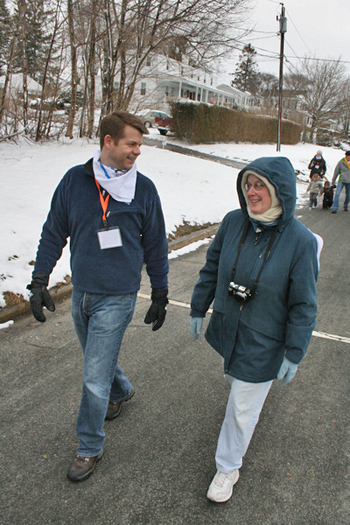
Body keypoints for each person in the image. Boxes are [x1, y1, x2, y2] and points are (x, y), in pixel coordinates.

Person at [27, 111, 169, 482]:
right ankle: (121, 389)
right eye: (131, 144)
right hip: (82, 292)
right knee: (98, 364)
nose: (138, 151)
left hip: (118, 295)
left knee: (93, 375)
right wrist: (40, 278)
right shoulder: (75, 181)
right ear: (108, 142)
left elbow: (156, 244)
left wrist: (160, 291)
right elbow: (54, 230)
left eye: (139, 144)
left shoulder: (144, 189)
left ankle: (88, 446)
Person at [190, 157, 319, 503]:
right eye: (248, 184)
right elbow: (212, 267)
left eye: (260, 184)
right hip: (230, 329)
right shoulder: (234, 222)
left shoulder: (301, 242)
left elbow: (304, 304)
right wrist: (198, 306)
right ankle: (239, 422)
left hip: (265, 340)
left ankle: (228, 466)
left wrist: (295, 351)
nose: (252, 191)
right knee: (237, 389)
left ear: (280, 190)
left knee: (242, 409)